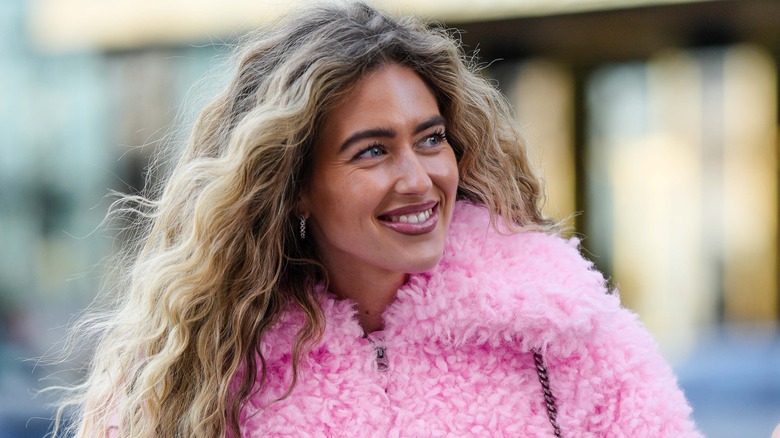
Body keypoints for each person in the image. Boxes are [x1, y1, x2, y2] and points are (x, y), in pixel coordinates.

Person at [56, 2, 702, 437]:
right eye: (372, 150)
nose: (419, 179)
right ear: (294, 184)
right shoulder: (199, 364)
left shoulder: (560, 328)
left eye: (430, 139)